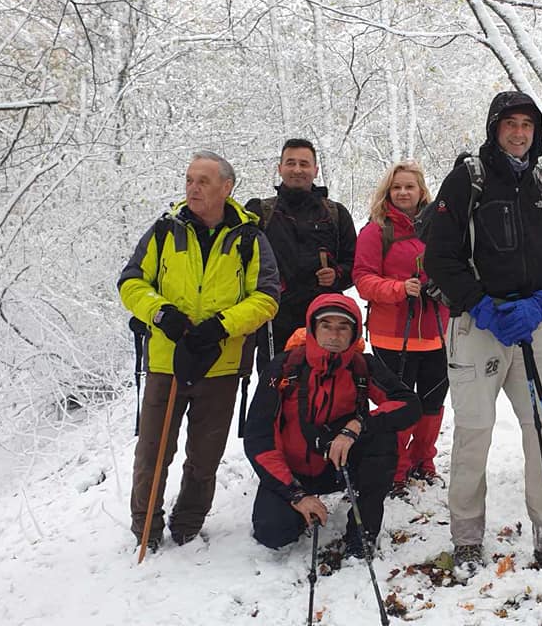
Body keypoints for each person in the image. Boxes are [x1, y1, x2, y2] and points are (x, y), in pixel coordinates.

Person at [423, 91, 542, 573]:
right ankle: (467, 534)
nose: (519, 133)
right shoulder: (466, 180)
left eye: (527, 125)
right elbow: (439, 257)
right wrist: (480, 304)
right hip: (478, 326)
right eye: (510, 123)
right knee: (474, 432)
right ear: (495, 128)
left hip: (533, 326)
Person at [118, 150, 280, 549]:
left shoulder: (249, 238)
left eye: (203, 181)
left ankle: (187, 524)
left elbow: (267, 297)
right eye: (190, 179)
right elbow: (130, 282)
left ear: (227, 188)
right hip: (164, 361)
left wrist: (222, 326)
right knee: (152, 453)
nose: (193, 187)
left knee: (205, 457)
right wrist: (161, 313)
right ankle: (146, 530)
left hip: (221, 364)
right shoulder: (164, 231)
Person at [243, 294, 420, 556]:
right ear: (313, 328)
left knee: (383, 439)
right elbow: (259, 439)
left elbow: (408, 404)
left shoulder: (362, 366)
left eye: (343, 327)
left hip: (339, 466)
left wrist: (357, 426)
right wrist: (296, 494)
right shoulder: (284, 367)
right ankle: (300, 504)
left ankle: (363, 531)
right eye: (326, 325)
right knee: (274, 533)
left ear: (354, 332)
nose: (334, 335)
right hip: (293, 472)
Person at [353, 161, 450, 497]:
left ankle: (423, 460)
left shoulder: (441, 227)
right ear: (388, 192)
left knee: (432, 402)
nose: (404, 193)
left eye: (410, 186)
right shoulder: (376, 231)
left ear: (422, 190)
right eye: (397, 187)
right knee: (397, 403)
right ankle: (394, 466)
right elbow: (363, 279)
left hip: (438, 332)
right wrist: (398, 289)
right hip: (391, 336)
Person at [247, 138, 357, 356]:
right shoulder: (260, 212)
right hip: (274, 322)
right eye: (291, 163)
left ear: (316, 170)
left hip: (323, 322)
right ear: (280, 168)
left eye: (304, 164)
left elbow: (355, 266)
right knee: (275, 386)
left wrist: (336, 275)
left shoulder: (336, 214)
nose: (297, 170)